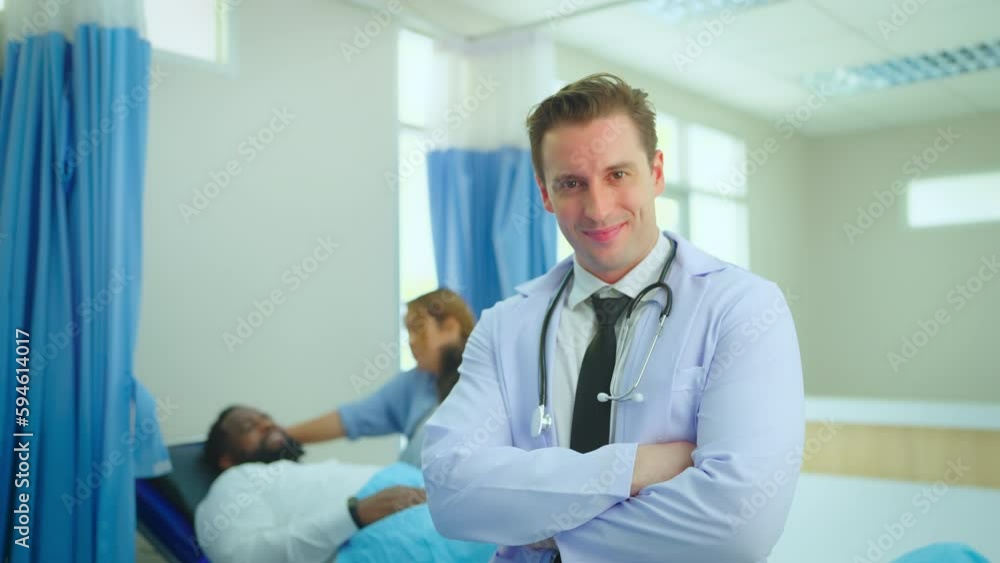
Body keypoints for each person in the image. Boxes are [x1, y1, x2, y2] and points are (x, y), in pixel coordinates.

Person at [421, 73, 804, 562]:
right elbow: (450, 493)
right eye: (572, 184)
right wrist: (637, 467)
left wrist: (545, 532)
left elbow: (740, 525)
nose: (598, 209)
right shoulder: (504, 327)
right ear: (544, 193)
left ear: (657, 173)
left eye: (617, 175)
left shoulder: (743, 308)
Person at [194, 405, 494, 563]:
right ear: (225, 458)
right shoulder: (231, 484)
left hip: (441, 515)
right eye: (250, 427)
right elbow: (245, 557)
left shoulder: (295, 475)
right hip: (393, 539)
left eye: (267, 418)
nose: (267, 425)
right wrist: (355, 513)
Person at [286, 288, 474, 465]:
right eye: (408, 331)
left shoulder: (485, 377)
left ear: (449, 328)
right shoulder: (415, 383)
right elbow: (352, 418)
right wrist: (283, 436)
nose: (411, 341)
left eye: (418, 328)